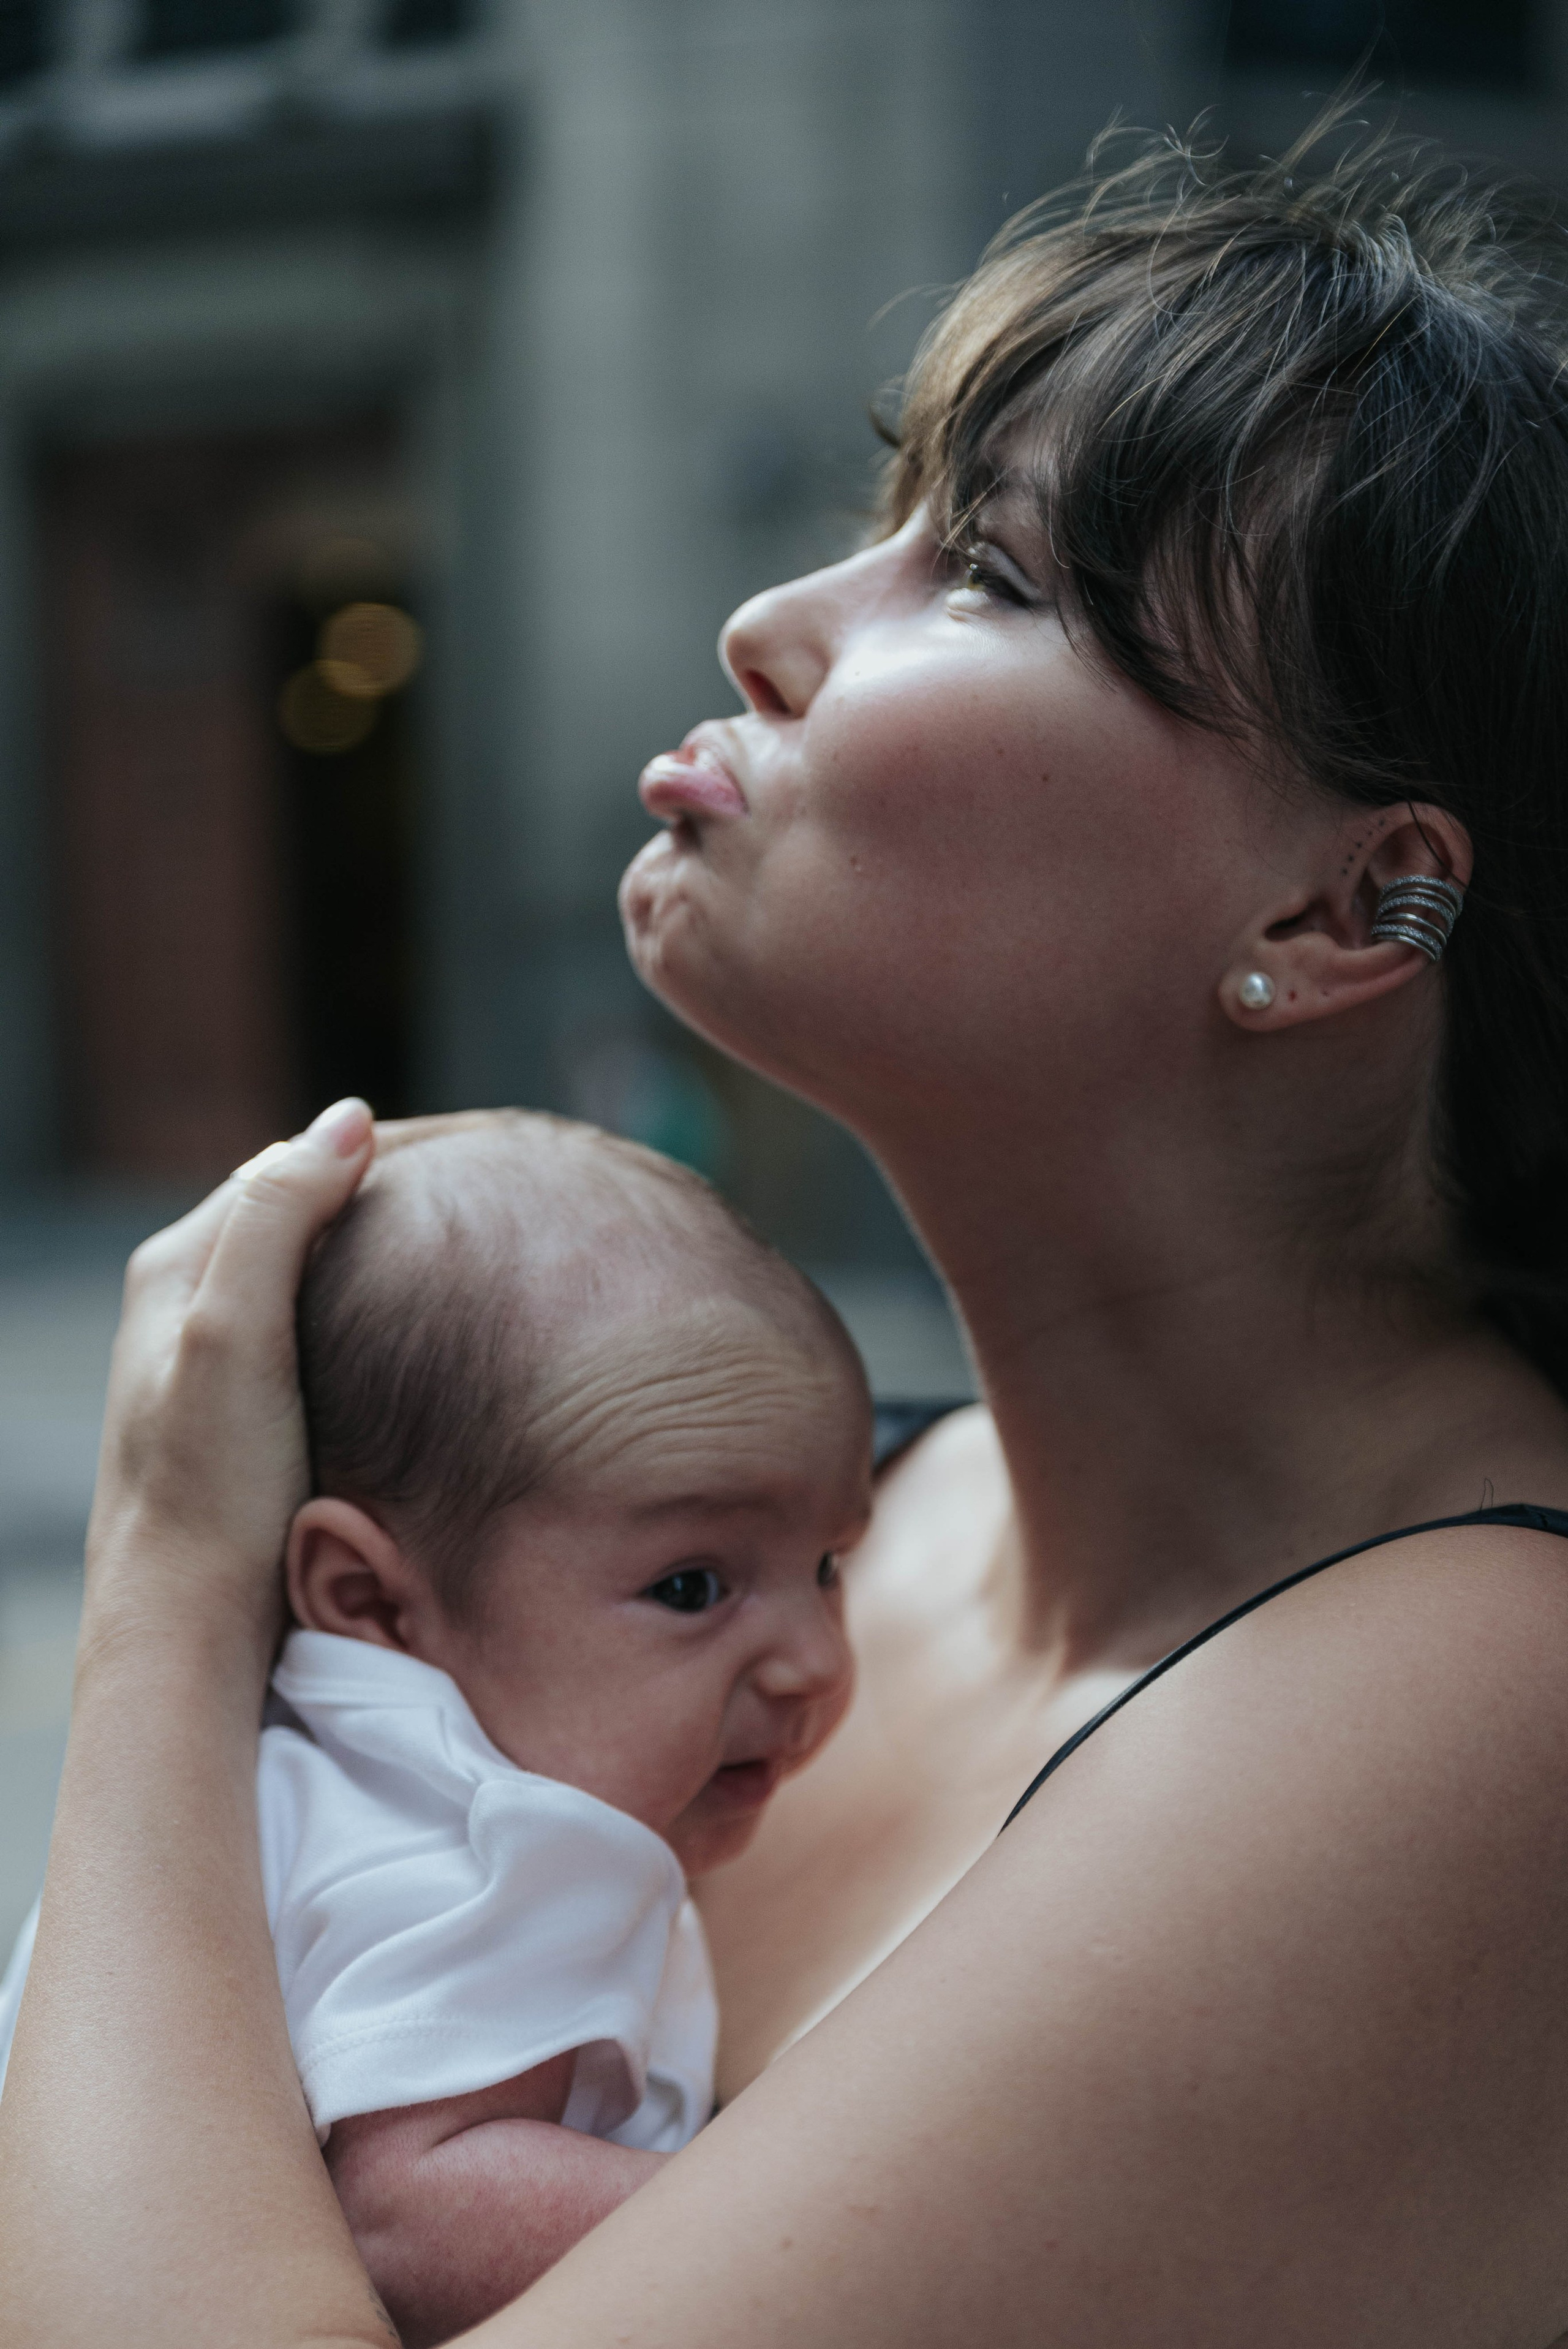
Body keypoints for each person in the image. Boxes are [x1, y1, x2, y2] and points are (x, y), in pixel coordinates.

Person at [8, 115, 1568, 2347]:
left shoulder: (1478, 1717)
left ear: (1342, 907)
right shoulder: (837, 1524)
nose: (768, 626)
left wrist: (166, 1585)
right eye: (885, 523)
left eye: (999, 579)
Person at [0, 1108, 868, 2345]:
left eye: (830, 1565)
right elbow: (414, 2214)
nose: (814, 1660)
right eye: (690, 1587)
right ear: (369, 1602)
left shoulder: (285, 1774)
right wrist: (833, 2230)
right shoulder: (486, 1836)